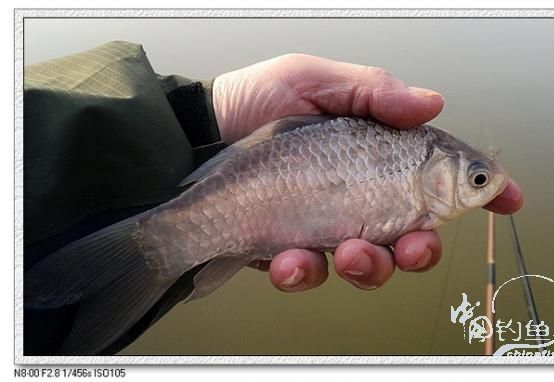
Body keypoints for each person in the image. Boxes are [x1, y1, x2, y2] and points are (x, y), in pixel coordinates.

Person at [24, 41, 523, 355]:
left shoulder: (418, 165)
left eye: (476, 181)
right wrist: (204, 119)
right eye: (477, 180)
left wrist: (201, 118)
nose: (482, 187)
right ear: (438, 173)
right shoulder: (418, 182)